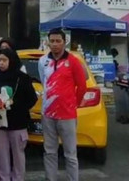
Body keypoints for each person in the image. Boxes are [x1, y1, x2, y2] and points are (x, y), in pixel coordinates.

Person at [38, 29, 87, 181]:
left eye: (58, 41)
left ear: (64, 42)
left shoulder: (73, 61)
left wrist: (74, 104)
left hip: (67, 115)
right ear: (48, 42)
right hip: (48, 114)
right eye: (51, 41)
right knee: (50, 152)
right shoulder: (43, 61)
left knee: (70, 154)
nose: (54, 44)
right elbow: (43, 82)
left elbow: (82, 86)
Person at [0, 48, 37, 181]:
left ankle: (18, 178)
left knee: (18, 154)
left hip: (18, 123)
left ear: (11, 61)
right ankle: (4, 178)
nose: (1, 63)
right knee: (2, 154)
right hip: (0, 122)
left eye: (4, 60)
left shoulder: (22, 78)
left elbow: (32, 98)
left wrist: (17, 107)